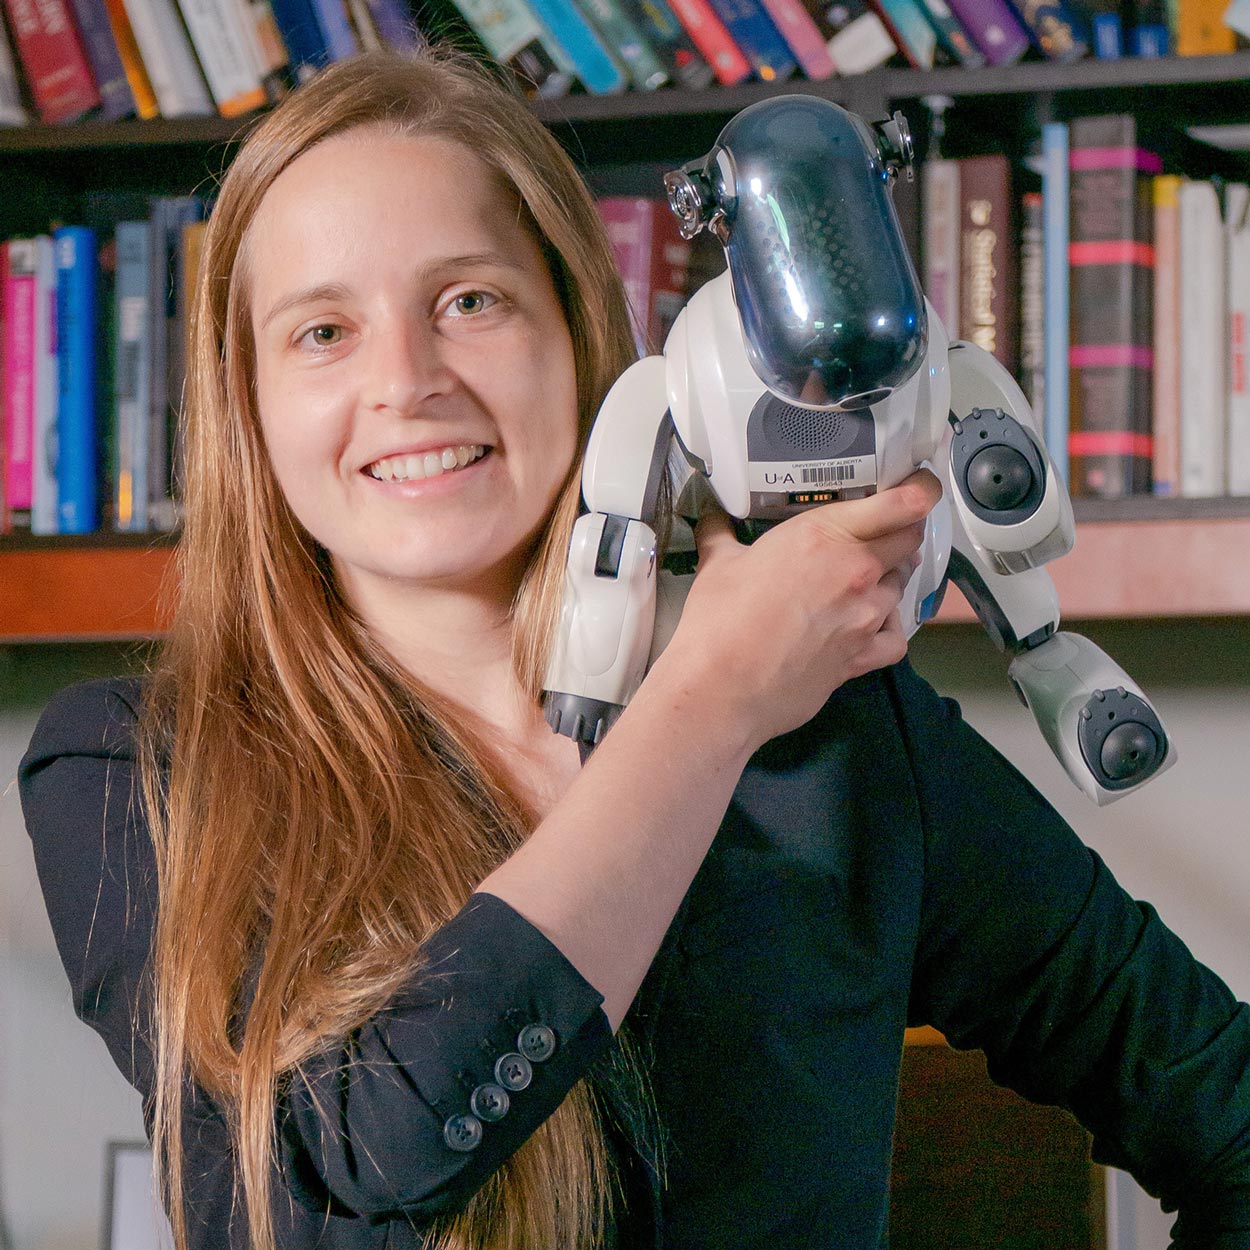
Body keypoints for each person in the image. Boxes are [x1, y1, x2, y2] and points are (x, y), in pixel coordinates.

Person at [17, 47, 1250, 1250]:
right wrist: (710, 701)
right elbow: (329, 1190)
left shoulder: (840, 733)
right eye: (322, 332)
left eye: (469, 301)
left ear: (581, 333)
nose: (407, 381)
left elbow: (1228, 1114)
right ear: (249, 403)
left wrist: (748, 692)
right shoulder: (131, 771)